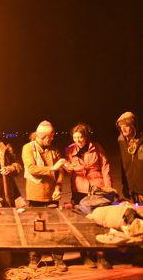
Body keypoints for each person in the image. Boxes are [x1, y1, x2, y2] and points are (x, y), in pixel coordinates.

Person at [64, 124, 112, 269]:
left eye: (81, 136)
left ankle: (102, 255)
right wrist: (67, 168)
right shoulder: (69, 150)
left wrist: (107, 186)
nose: (78, 140)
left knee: (100, 221)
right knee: (81, 223)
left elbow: (105, 166)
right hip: (79, 188)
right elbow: (68, 171)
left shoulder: (96, 147)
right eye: (75, 137)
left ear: (86, 136)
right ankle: (85, 255)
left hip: (97, 188)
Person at [22, 121, 68, 271]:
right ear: (42, 136)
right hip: (35, 195)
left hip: (52, 196)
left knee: (55, 227)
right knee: (36, 228)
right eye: (50, 136)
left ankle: (58, 259)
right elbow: (31, 168)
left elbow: (60, 172)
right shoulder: (28, 148)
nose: (52, 139)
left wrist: (58, 187)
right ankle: (35, 258)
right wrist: (52, 168)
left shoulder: (53, 150)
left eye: (53, 136)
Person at [116, 112, 143, 204]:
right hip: (131, 188)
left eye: (126, 125)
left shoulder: (141, 141)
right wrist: (125, 184)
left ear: (134, 126)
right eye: (121, 126)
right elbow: (123, 164)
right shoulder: (121, 141)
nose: (123, 129)